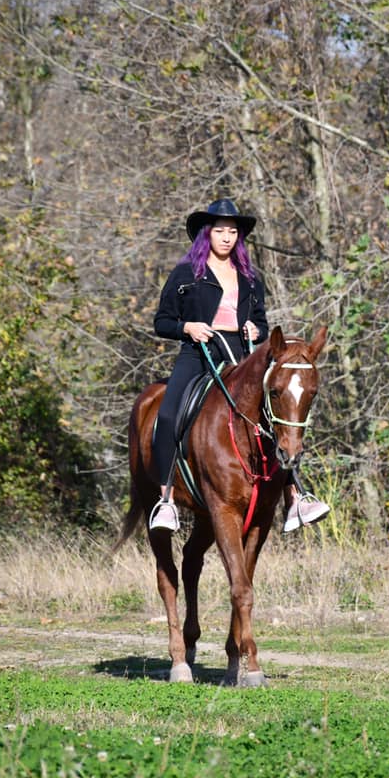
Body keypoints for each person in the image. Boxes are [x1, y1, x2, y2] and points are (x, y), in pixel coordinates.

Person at [149, 197, 330, 533]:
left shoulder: (249, 277)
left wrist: (256, 329)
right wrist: (187, 327)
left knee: (277, 414)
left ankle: (295, 497)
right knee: (169, 414)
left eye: (233, 231)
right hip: (198, 353)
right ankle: (166, 500)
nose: (227, 237)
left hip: (241, 354)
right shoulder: (186, 273)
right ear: (208, 234)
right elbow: (162, 321)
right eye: (220, 231)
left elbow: (261, 321)